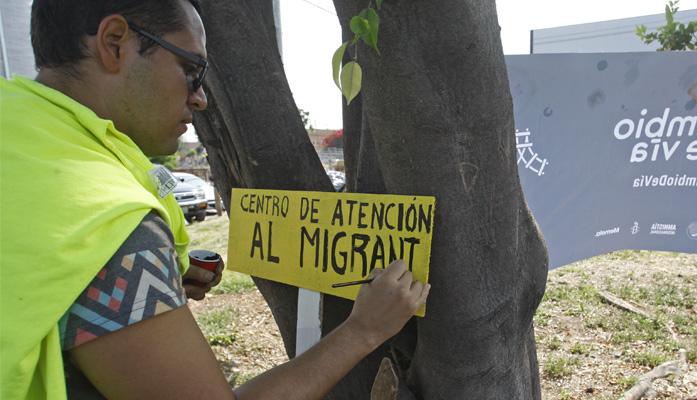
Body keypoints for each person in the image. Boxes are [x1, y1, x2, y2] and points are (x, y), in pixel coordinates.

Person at [0, 0, 431, 399]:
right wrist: (363, 330)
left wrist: (152, 284)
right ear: (115, 43)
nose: (201, 98)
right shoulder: (104, 219)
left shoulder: (18, 130)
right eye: (191, 70)